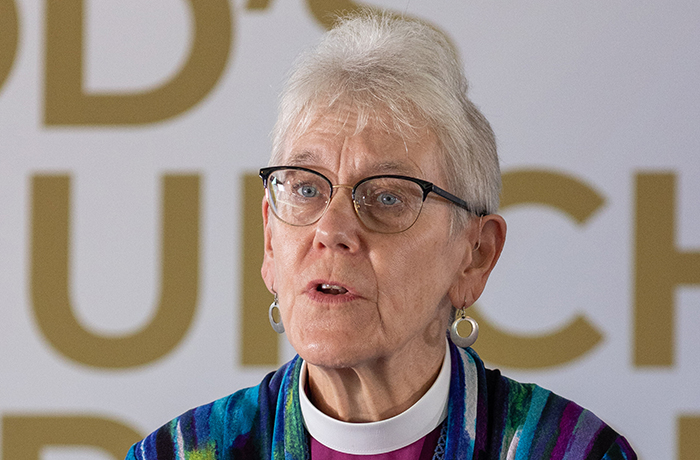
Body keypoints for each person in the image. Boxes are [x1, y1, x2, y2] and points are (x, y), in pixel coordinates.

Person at [125, 12, 636, 460]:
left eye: (387, 197)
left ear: (475, 255)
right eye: (306, 189)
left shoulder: (573, 452)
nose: (331, 230)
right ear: (270, 241)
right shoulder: (178, 453)